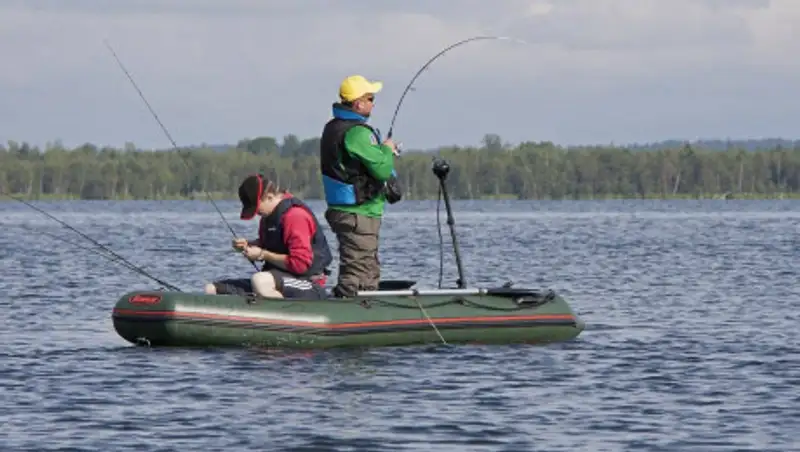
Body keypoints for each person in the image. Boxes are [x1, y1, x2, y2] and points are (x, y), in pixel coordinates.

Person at [319, 74, 401, 298]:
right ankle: (348, 309)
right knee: (357, 272)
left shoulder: (333, 127)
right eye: (370, 98)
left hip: (351, 211)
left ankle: (366, 306)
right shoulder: (356, 133)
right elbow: (382, 170)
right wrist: (387, 149)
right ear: (357, 104)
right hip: (358, 213)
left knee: (367, 269)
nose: (373, 103)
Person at [204, 174, 333, 299]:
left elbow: (300, 264)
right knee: (212, 289)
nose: (257, 214)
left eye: (257, 209)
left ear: (269, 197)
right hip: (279, 280)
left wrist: (262, 255)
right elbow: (271, 244)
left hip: (308, 283)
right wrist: (249, 245)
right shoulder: (268, 216)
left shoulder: (295, 216)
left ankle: (286, 312)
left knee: (259, 281)